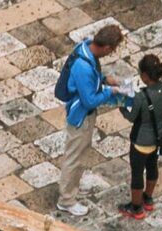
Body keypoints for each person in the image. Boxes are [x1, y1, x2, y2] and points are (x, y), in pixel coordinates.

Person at [52, 22, 126, 202]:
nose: (111, 53)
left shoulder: (85, 47)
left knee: (79, 155)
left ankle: (71, 187)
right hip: (80, 118)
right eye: (112, 50)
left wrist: (105, 79)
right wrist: (111, 92)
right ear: (107, 47)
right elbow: (90, 100)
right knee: (74, 158)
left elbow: (91, 77)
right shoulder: (83, 67)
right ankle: (67, 200)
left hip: (83, 114)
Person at [121, 53, 162, 219]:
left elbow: (131, 117)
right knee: (152, 167)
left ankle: (136, 207)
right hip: (158, 139)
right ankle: (148, 198)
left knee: (137, 173)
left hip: (141, 141)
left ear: (145, 75)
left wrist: (122, 104)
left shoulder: (140, 97)